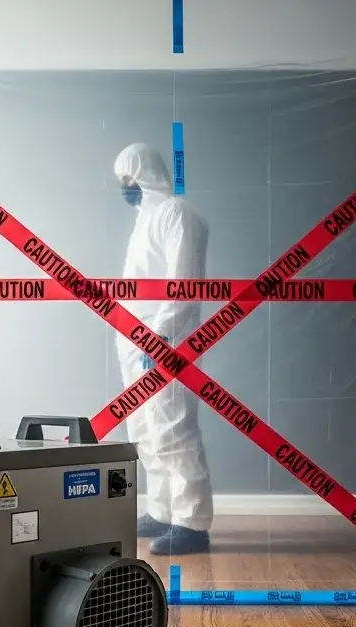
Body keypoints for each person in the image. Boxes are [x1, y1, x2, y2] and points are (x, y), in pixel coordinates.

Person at [113, 142, 214, 555]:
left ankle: (191, 523)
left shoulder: (178, 213)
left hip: (165, 339)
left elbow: (182, 280)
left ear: (145, 174)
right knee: (145, 432)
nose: (125, 188)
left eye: (128, 179)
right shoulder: (146, 220)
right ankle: (161, 511)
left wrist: (161, 334)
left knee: (173, 428)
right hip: (135, 339)